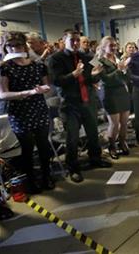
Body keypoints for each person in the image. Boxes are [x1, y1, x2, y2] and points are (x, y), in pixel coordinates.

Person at [48, 30, 112, 183]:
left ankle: (95, 159)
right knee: (73, 138)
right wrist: (74, 74)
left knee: (92, 133)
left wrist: (97, 74)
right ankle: (73, 168)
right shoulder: (55, 58)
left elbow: (92, 77)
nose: (76, 43)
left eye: (78, 40)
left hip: (88, 101)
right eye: (72, 40)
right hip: (70, 104)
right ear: (64, 40)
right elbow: (56, 81)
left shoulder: (87, 56)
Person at [0, 31, 55, 192]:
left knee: (44, 146)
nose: (14, 48)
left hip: (39, 109)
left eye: (18, 44)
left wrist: (42, 89)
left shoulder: (38, 65)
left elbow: (47, 86)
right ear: (5, 48)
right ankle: (31, 180)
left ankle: (46, 176)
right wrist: (28, 93)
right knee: (27, 148)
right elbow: (3, 94)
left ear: (24, 45)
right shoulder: (5, 68)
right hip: (19, 112)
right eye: (10, 46)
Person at [94, 36, 131, 159]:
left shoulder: (118, 58)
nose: (114, 47)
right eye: (111, 45)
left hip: (122, 91)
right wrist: (119, 70)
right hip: (109, 93)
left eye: (115, 45)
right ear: (104, 46)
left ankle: (122, 142)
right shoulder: (97, 60)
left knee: (125, 122)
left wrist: (125, 71)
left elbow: (125, 78)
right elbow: (105, 79)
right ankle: (112, 146)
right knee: (115, 124)